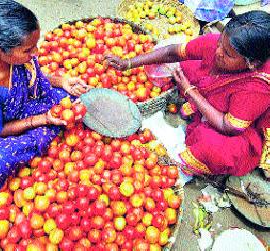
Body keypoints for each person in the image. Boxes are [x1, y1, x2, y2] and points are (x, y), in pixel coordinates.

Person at [0, 0, 90, 206]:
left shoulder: (12, 57)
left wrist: (62, 81)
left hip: (21, 105)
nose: (36, 53)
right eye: (28, 50)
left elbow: (34, 76)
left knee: (73, 101)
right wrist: (42, 119)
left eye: (35, 46)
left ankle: (45, 131)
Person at [105, 11, 270, 178]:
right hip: (212, 97)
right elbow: (172, 52)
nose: (218, 51)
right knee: (185, 65)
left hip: (239, 129)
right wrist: (128, 63)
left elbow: (229, 127)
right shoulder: (219, 45)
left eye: (228, 54)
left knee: (213, 148)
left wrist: (191, 91)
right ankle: (197, 106)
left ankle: (195, 147)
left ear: (252, 64)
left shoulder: (257, 87)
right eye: (220, 42)